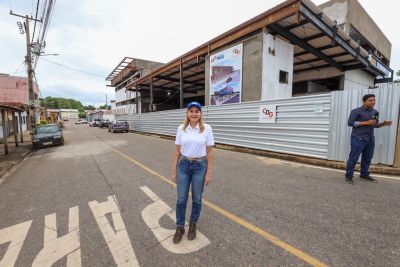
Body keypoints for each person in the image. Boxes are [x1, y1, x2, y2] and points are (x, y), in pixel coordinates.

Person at [171, 101, 214, 244]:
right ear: (187, 113)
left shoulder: (207, 129)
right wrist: (174, 170)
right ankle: (180, 227)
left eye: (197, 111)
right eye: (191, 111)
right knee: (181, 199)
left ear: (201, 114)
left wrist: (209, 173)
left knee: (197, 198)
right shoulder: (181, 129)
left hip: (200, 166)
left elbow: (210, 151)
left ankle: (193, 224)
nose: (194, 113)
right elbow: (177, 151)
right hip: (183, 165)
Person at [345, 94, 392, 184]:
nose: (373, 102)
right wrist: (367, 122)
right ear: (364, 101)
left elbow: (374, 125)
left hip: (370, 139)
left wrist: (383, 123)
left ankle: (364, 174)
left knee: (367, 158)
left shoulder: (375, 112)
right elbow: (350, 123)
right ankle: (349, 175)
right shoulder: (356, 111)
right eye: (370, 100)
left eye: (374, 100)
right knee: (353, 158)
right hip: (358, 138)